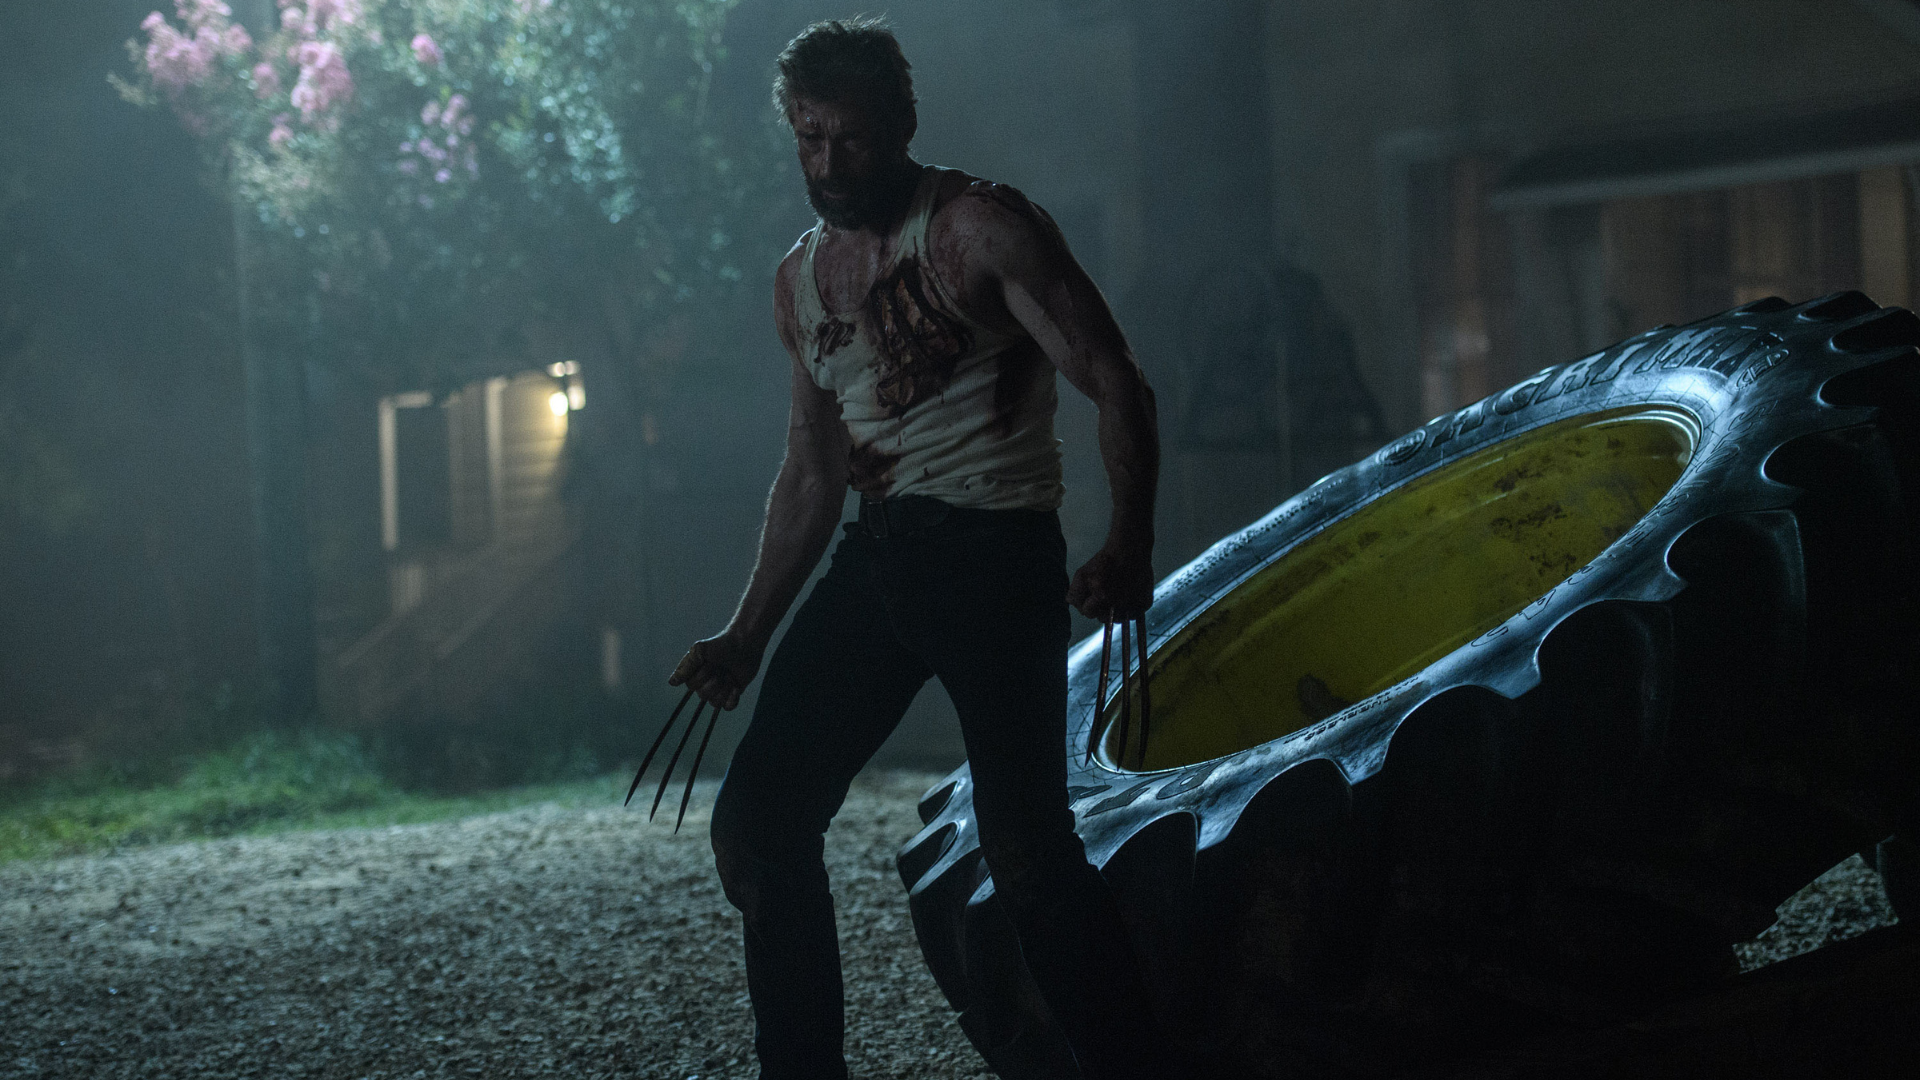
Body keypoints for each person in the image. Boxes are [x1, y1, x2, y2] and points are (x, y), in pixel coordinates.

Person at [670, 17, 1172, 1080]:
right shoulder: (800, 281)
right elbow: (812, 472)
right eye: (809, 139)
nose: (828, 165)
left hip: (994, 554)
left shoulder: (981, 228)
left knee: (1029, 853)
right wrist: (747, 633)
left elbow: (1114, 378)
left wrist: (1130, 540)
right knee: (758, 826)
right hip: (879, 556)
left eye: (849, 139)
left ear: (899, 127)